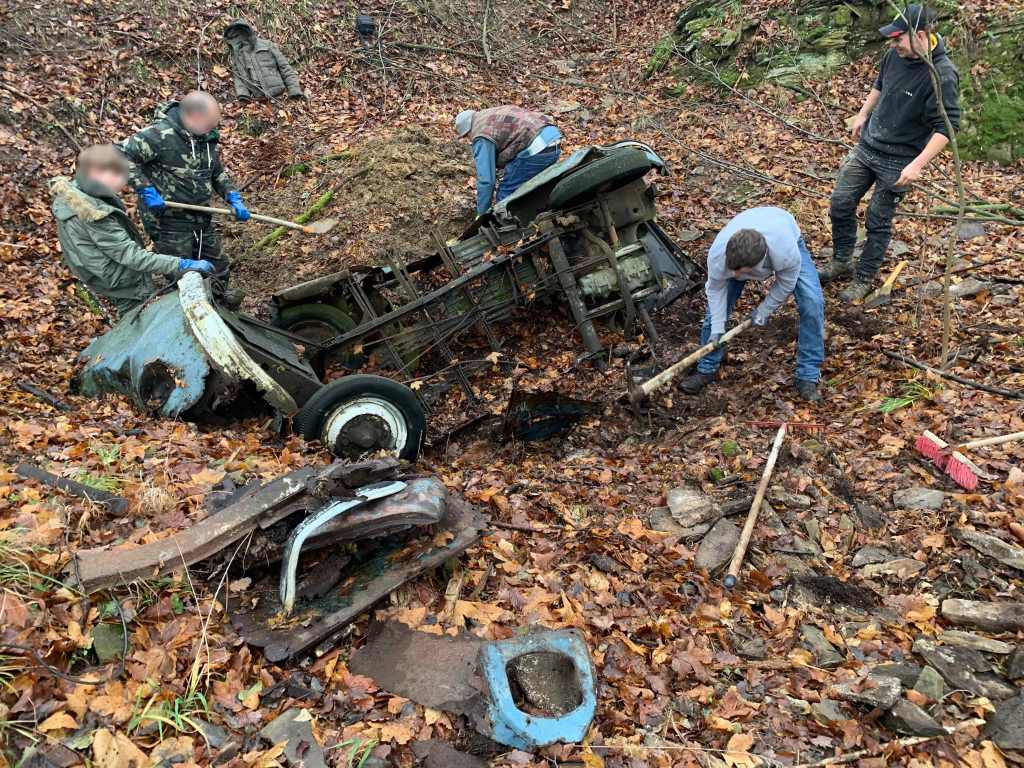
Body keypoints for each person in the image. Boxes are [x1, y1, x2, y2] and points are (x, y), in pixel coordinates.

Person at [822, 4, 961, 301]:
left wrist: (917, 166)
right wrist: (862, 114)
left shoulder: (942, 75)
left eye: (898, 38)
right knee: (841, 202)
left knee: (877, 219)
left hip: (899, 162)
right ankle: (842, 260)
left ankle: (863, 278)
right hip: (868, 147)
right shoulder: (894, 56)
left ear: (920, 35)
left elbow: (947, 127)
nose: (893, 44)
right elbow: (880, 85)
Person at [678, 207, 825, 402]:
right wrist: (717, 327)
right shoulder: (718, 255)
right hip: (749, 230)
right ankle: (707, 367)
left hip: (784, 229)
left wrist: (763, 311)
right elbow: (715, 290)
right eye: (733, 270)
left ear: (761, 262)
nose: (737, 276)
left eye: (743, 272)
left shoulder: (785, 252)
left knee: (812, 302)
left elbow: (785, 283)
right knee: (713, 317)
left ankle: (807, 375)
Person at [50, 145, 214, 316]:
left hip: (96, 267)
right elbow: (130, 256)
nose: (123, 183)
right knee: (140, 316)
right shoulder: (93, 214)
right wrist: (180, 264)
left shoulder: (78, 188)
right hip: (120, 279)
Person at [119, 91, 250, 278]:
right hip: (168, 223)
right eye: (209, 124)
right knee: (183, 276)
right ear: (194, 116)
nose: (212, 128)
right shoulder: (159, 135)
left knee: (219, 268)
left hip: (201, 219)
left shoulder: (205, 139)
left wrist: (232, 196)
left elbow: (216, 172)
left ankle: (219, 300)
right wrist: (145, 188)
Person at [454, 106, 562, 215]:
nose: (469, 139)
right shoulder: (489, 114)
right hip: (553, 138)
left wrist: (481, 214)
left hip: (537, 147)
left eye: (466, 137)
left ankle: (502, 225)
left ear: (467, 131)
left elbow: (486, 181)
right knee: (534, 188)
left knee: (506, 193)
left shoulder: (480, 135)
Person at [224, 20, 306, 101]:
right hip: (258, 99)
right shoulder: (237, 55)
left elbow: (284, 67)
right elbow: (238, 77)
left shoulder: (267, 45)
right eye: (235, 36)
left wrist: (294, 89)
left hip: (280, 95)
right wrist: (243, 95)